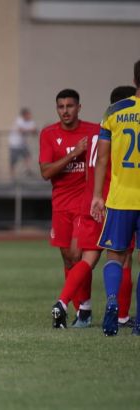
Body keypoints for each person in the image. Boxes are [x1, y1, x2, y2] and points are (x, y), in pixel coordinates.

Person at [50, 86, 135, 328]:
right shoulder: (122, 131)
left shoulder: (97, 133)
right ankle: (122, 316)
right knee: (123, 258)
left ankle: (63, 303)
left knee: (87, 258)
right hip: (115, 202)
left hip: (90, 201)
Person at [39, 89, 98, 326]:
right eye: (61, 107)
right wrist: (74, 154)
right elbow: (46, 172)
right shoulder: (49, 134)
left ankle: (83, 310)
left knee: (77, 254)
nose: (65, 111)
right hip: (60, 204)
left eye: (70, 106)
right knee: (68, 259)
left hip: (84, 203)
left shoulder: (93, 131)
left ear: (79, 108)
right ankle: (80, 310)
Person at [91, 60, 140, 337]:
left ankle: (112, 301)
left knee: (116, 256)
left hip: (120, 198)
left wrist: (98, 195)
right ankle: (139, 322)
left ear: (134, 80)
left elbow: (102, 159)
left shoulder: (114, 111)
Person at [8, 108, 37, 180]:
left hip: (23, 144)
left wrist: (31, 130)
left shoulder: (31, 122)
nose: (30, 116)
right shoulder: (19, 120)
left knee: (28, 156)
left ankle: (28, 170)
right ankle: (12, 176)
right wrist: (30, 130)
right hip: (14, 144)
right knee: (13, 161)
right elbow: (21, 130)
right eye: (28, 114)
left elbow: (34, 131)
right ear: (24, 115)